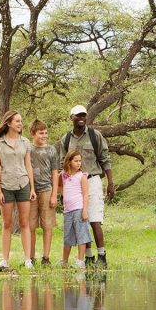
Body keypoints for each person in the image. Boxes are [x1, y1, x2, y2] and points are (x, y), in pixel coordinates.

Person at [58, 105, 114, 268]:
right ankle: (88, 257)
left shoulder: (94, 135)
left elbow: (105, 159)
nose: (81, 118)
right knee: (83, 220)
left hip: (92, 180)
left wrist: (110, 182)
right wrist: (63, 190)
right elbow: (63, 165)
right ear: (71, 118)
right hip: (73, 184)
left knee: (95, 220)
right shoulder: (66, 139)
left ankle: (102, 256)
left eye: (84, 115)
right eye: (78, 115)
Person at [0, 110, 37, 271]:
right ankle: (5, 259)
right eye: (17, 121)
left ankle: (27, 259)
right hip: (6, 185)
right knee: (7, 223)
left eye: (21, 121)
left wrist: (32, 188)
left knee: (25, 223)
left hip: (23, 183)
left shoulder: (25, 142)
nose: (20, 124)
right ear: (8, 123)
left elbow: (28, 165)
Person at [28, 119, 58, 267]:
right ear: (33, 133)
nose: (44, 135)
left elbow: (55, 173)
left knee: (47, 225)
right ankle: (30, 257)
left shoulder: (52, 150)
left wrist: (54, 194)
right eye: (41, 133)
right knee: (31, 225)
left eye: (46, 133)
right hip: (31, 191)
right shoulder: (28, 149)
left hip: (47, 190)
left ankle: (46, 258)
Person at [59, 150, 91, 269]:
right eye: (76, 161)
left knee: (81, 235)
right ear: (69, 161)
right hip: (68, 211)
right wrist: (63, 193)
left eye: (80, 161)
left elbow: (86, 194)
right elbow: (58, 185)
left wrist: (85, 210)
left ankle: (80, 260)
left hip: (79, 209)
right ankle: (65, 261)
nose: (78, 163)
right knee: (68, 237)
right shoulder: (63, 175)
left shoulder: (82, 176)